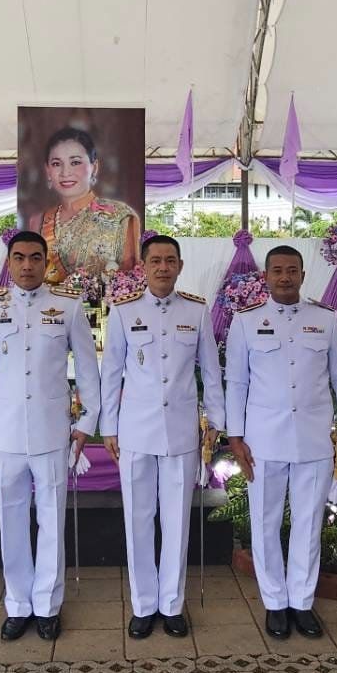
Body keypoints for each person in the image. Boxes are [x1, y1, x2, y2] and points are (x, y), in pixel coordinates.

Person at [225, 246, 337, 641]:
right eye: (277, 271)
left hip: (314, 440)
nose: (284, 277)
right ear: (265, 276)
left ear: (302, 275)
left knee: (308, 523)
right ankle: (274, 602)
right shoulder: (246, 322)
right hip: (263, 442)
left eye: (291, 270)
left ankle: (301, 602)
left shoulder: (325, 319)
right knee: (264, 523)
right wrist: (235, 435)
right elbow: (236, 382)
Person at [0, 231, 101, 640]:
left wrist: (85, 424)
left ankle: (47, 605)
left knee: (51, 520)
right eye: (19, 257)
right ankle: (18, 604)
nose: (27, 265)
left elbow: (87, 368)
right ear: (9, 262)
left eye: (35, 257)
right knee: (10, 520)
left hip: (52, 431)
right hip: (6, 432)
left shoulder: (68, 305)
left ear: (47, 262)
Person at [98, 235, 223, 640]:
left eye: (170, 260)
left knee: (176, 521)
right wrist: (109, 426)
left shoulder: (196, 311)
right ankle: (142, 605)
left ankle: (171, 604)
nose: (163, 267)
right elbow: (110, 373)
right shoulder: (124, 311)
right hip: (136, 431)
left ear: (180, 266)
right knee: (138, 519)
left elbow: (211, 372)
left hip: (181, 432)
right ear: (144, 266)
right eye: (156, 261)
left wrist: (215, 419)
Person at [31, 127, 140, 284]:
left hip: (104, 300)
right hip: (49, 301)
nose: (65, 172)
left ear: (94, 167)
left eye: (75, 162)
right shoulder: (38, 221)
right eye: (56, 164)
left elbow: (129, 281)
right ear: (48, 170)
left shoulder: (120, 217)